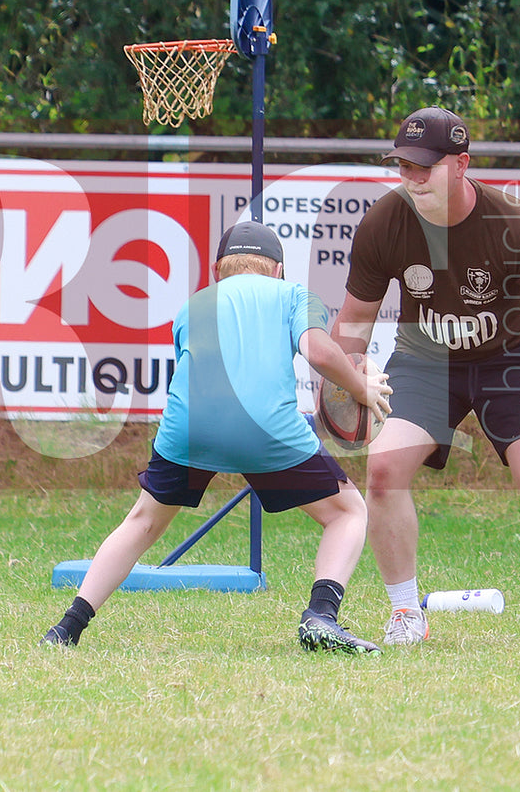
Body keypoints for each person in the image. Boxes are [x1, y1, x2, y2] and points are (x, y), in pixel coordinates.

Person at [333, 106, 520, 652]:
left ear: (461, 164)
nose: (413, 178)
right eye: (404, 166)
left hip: (509, 358)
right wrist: (341, 391)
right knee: (382, 472)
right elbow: (351, 326)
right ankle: (405, 613)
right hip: (424, 358)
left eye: (425, 166)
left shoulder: (513, 224)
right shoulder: (384, 221)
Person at [42, 221, 392, 654]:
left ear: (216, 271)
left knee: (143, 521)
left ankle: (66, 628)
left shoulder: (192, 306)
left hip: (189, 428)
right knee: (347, 512)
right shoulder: (293, 294)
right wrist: (359, 389)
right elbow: (319, 351)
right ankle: (321, 616)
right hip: (265, 430)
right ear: (278, 269)